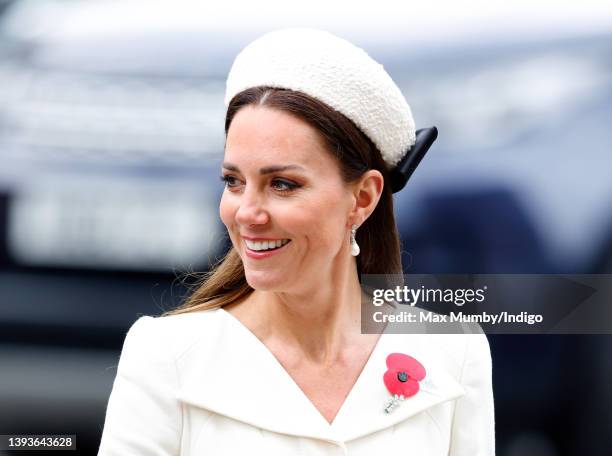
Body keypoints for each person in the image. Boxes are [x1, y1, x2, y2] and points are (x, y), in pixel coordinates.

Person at [98, 28, 495, 455]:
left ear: (362, 198)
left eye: (282, 184)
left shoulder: (454, 352)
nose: (247, 212)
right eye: (233, 182)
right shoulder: (166, 357)